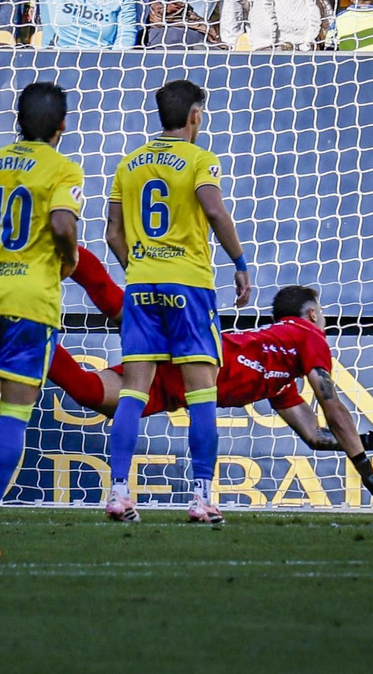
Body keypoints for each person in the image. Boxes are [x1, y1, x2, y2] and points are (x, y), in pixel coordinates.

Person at [49, 280, 373, 506]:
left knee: (84, 391)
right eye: (322, 313)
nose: (324, 320)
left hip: (172, 387)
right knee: (123, 310)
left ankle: (34, 339)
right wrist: (366, 467)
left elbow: (314, 435)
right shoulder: (307, 334)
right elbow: (333, 407)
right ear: (311, 315)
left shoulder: (280, 379)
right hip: (189, 357)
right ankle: (73, 263)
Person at [103, 79, 251, 525]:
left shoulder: (129, 164)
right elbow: (213, 209)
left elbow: (112, 233)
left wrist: (142, 267)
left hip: (141, 287)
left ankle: (118, 492)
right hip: (188, 288)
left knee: (133, 391)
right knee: (202, 394)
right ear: (194, 116)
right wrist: (239, 261)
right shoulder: (200, 159)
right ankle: (203, 498)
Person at [0, 81, 85, 556]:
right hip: (31, 301)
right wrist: (65, 261)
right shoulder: (63, 168)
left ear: (18, 121)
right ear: (62, 126)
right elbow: (63, 224)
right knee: (15, 414)